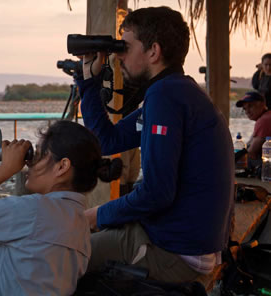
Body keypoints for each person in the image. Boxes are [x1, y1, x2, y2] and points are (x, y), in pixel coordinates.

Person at [77, 6, 234, 284]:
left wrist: (95, 215)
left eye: (125, 46)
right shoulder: (175, 91)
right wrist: (88, 81)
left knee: (56, 256)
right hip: (182, 240)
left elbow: (156, 193)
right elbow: (107, 140)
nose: (118, 55)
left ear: (153, 51)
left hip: (176, 253)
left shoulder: (166, 96)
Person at [0, 120, 122, 296]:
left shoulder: (34, 210)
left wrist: (2, 172)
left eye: (39, 154)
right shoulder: (79, 224)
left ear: (62, 166)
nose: (29, 162)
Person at [236, 91, 271, 167]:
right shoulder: (267, 116)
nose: (247, 111)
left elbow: (252, 153)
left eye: (251, 106)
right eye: (245, 109)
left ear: (262, 105)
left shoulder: (264, 120)